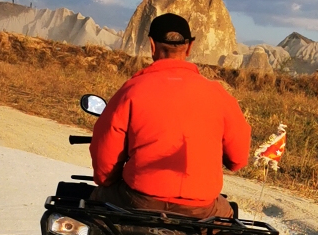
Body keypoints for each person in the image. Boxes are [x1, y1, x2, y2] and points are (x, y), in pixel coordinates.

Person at [90, 12, 251, 217]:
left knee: (96, 200)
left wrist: (107, 180)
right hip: (201, 209)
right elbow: (238, 160)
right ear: (190, 47)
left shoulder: (131, 90)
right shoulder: (218, 95)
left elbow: (105, 160)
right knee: (228, 216)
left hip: (139, 201)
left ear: (152, 45)